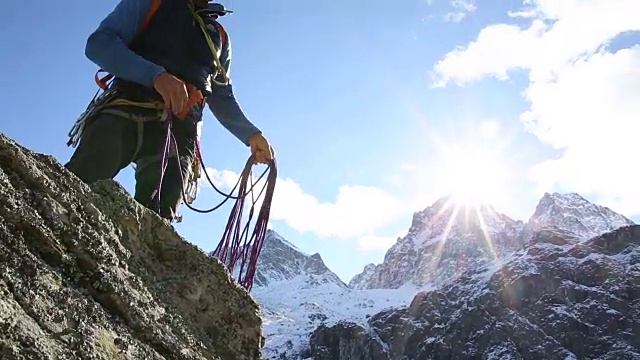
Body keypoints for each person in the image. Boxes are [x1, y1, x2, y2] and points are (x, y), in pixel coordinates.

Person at [64, 0, 275, 222]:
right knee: (76, 186)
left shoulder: (220, 36)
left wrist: (251, 134)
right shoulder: (152, 2)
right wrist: (155, 76)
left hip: (180, 131)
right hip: (128, 106)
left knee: (159, 222)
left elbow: (221, 94)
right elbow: (99, 44)